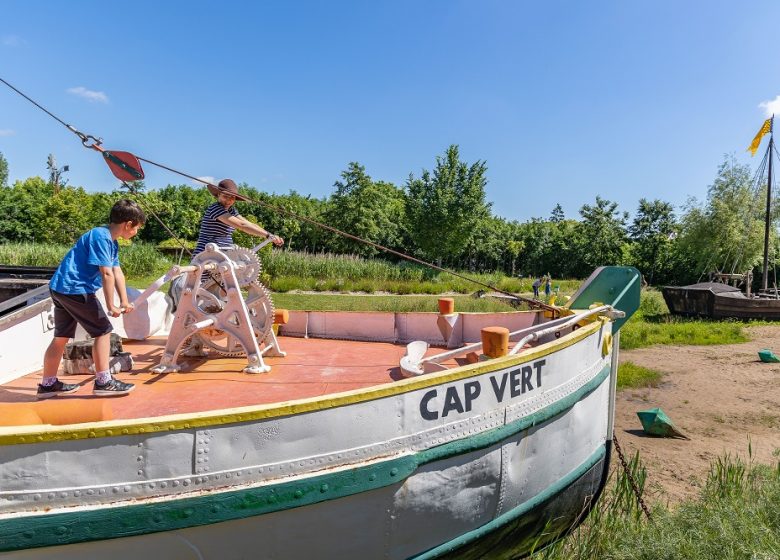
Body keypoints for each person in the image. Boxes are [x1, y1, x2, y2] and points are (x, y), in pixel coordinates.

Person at [38, 199, 146, 398]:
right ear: (128, 224)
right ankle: (103, 382)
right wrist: (111, 305)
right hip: (75, 289)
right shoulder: (101, 237)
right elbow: (106, 274)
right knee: (103, 331)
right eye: (137, 227)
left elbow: (117, 272)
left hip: (61, 288)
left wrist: (123, 300)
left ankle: (48, 384)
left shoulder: (110, 241)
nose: (136, 232)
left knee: (61, 337)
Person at [193, 178, 284, 256]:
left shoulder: (231, 210)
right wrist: (267, 235)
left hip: (223, 254)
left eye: (232, 197)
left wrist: (270, 235)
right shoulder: (215, 208)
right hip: (206, 254)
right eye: (226, 196)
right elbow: (242, 225)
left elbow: (249, 224)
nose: (229, 200)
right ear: (218, 195)